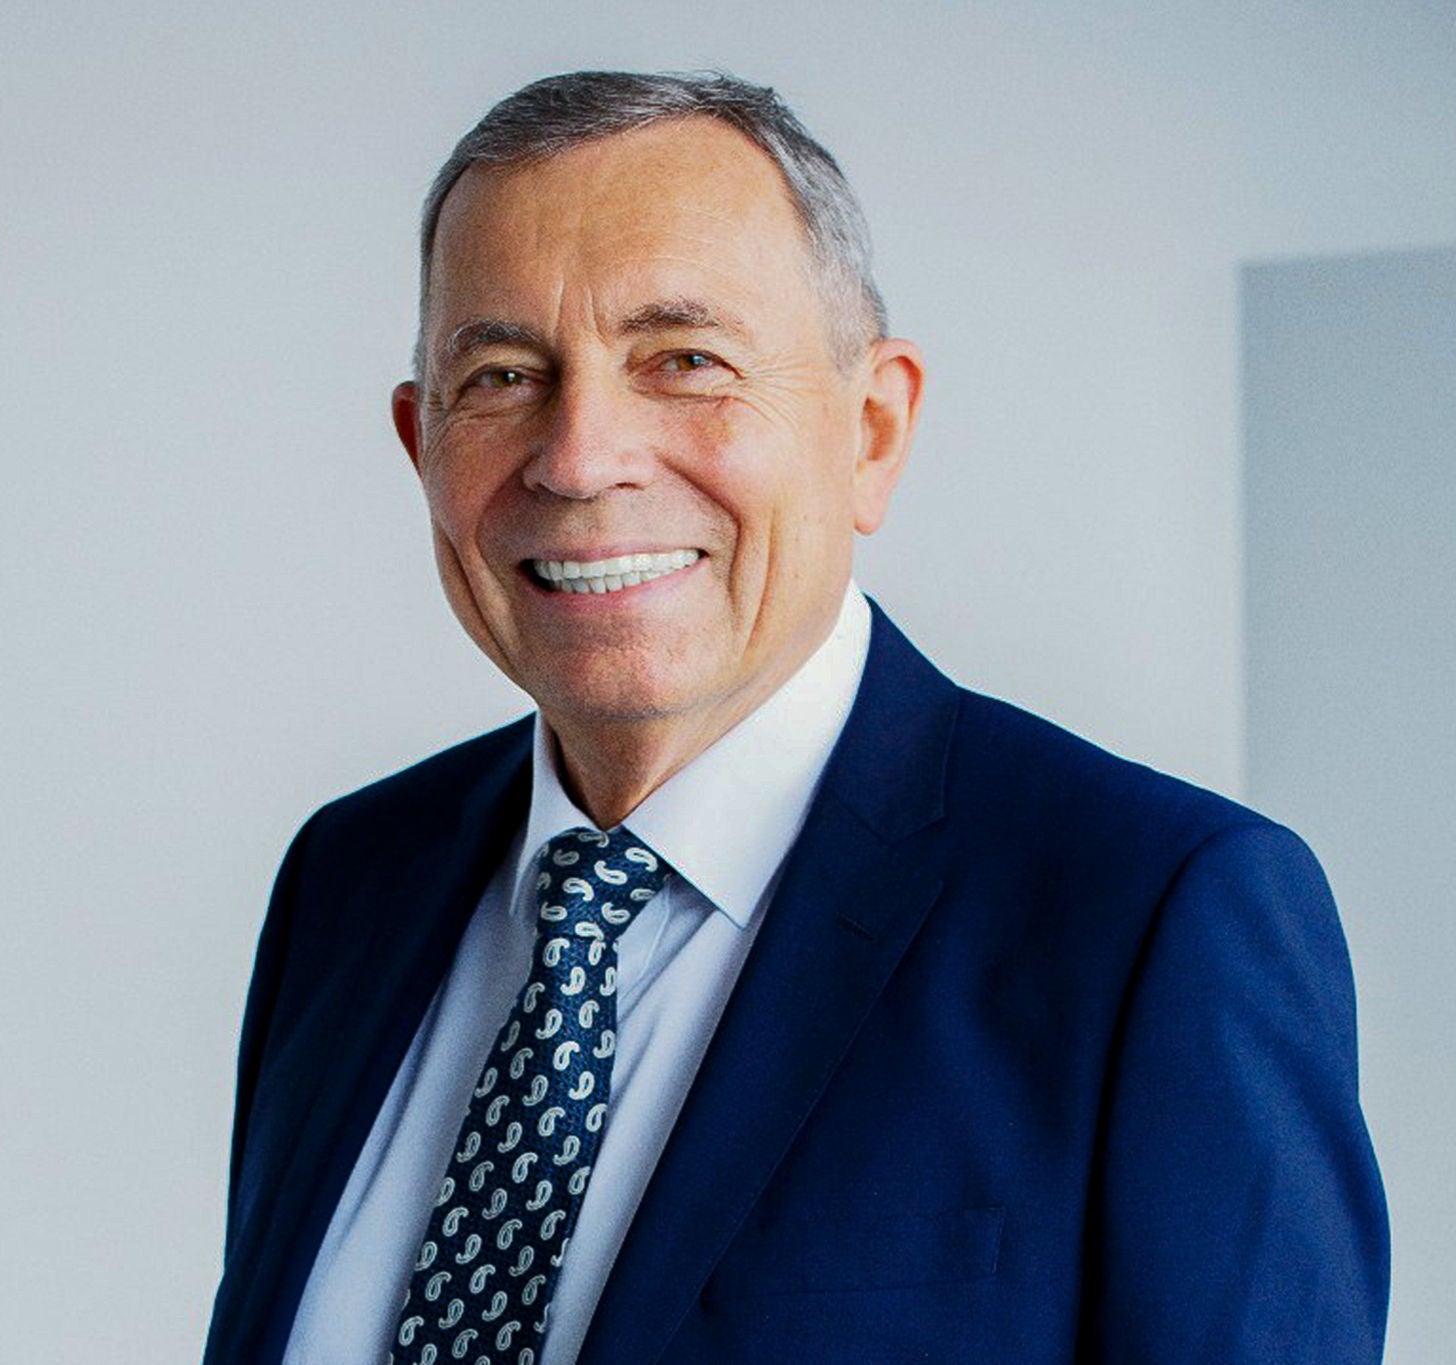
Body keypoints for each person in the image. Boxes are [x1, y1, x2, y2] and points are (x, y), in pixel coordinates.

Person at [202, 71, 1389, 1365]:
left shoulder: (1149, 920)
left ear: (872, 431)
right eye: (501, 375)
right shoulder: (352, 881)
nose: (581, 456)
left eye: (685, 361)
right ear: (419, 442)